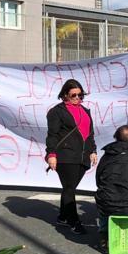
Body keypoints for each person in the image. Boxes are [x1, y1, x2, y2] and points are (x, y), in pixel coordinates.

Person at [45, 80, 98, 234]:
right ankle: (73, 221)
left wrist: (93, 150)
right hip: (65, 155)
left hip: (82, 155)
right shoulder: (57, 112)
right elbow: (52, 135)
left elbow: (90, 134)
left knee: (70, 187)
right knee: (69, 188)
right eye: (73, 95)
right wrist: (52, 154)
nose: (77, 98)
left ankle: (62, 215)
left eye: (80, 95)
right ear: (65, 95)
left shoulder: (85, 110)